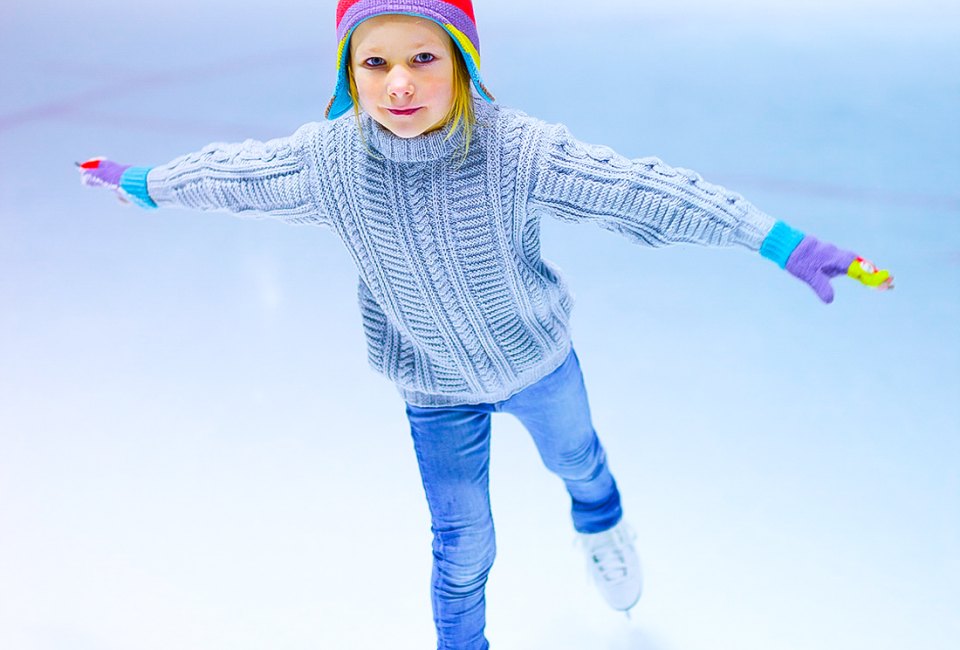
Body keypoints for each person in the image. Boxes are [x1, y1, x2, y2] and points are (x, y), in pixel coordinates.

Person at [77, 1, 894, 648]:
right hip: (434, 391)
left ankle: (602, 524)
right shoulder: (330, 162)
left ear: (464, 65)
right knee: (460, 547)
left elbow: (648, 191)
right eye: (376, 63)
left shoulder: (514, 151)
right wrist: (146, 181)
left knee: (580, 462)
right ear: (349, 77)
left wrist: (780, 242)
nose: (400, 83)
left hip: (537, 361)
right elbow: (235, 174)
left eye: (423, 58)